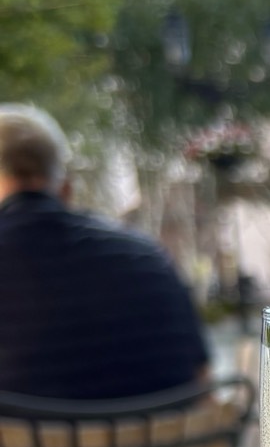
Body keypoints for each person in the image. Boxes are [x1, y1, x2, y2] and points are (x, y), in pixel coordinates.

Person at [0, 105, 208, 400]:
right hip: (171, 445)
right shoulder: (149, 256)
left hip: (32, 446)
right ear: (66, 188)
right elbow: (204, 383)